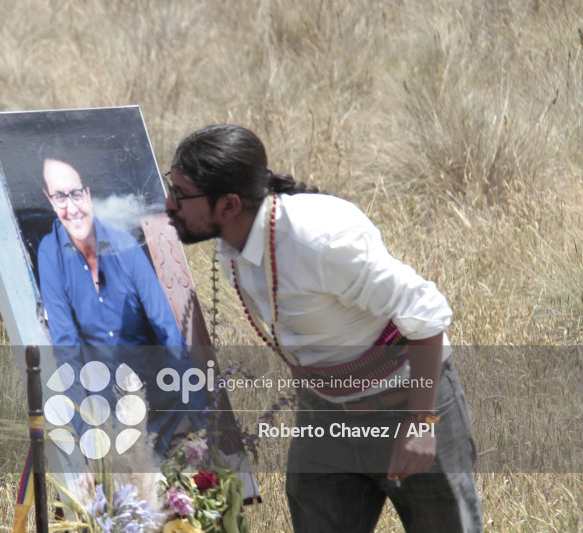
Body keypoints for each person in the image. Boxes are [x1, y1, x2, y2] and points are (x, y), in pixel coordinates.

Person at [164, 124, 482, 532]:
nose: (169, 204)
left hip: (407, 403)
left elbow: (427, 313)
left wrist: (420, 423)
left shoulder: (320, 241)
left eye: (180, 194)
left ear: (228, 205)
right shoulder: (232, 248)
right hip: (326, 416)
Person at [37, 158, 203, 454]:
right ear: (49, 200)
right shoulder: (50, 252)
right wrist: (79, 433)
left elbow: (164, 324)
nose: (71, 207)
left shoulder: (123, 244)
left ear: (87, 193)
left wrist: (200, 412)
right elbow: (66, 345)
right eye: (60, 197)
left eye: (75, 194)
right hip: (106, 412)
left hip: (159, 398)